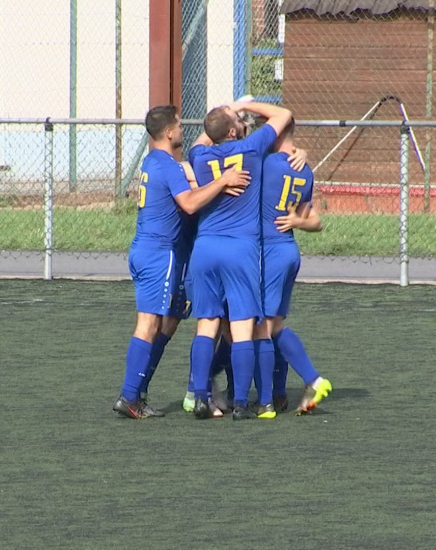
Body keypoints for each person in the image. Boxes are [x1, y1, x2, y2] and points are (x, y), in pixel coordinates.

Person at [113, 105, 250, 419]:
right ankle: (129, 396)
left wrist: (220, 117)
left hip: (149, 251)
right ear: (169, 132)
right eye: (179, 125)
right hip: (160, 254)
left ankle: (139, 390)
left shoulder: (155, 161)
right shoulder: (170, 167)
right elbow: (188, 203)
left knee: (169, 322)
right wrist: (222, 181)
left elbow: (197, 152)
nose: (183, 129)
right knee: (148, 325)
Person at [186, 100, 293, 420]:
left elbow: (203, 138)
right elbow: (283, 115)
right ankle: (242, 404)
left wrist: (221, 119)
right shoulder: (251, 148)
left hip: (204, 249)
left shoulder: (200, 155)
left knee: (207, 324)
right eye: (237, 119)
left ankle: (201, 396)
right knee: (244, 326)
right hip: (240, 249)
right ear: (234, 130)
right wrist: (245, 104)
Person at [257, 118, 332, 415]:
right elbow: (315, 221)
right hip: (288, 251)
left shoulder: (266, 164)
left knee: (268, 327)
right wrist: (298, 221)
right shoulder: (304, 169)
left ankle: (312, 379)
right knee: (272, 324)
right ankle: (278, 394)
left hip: (271, 253)